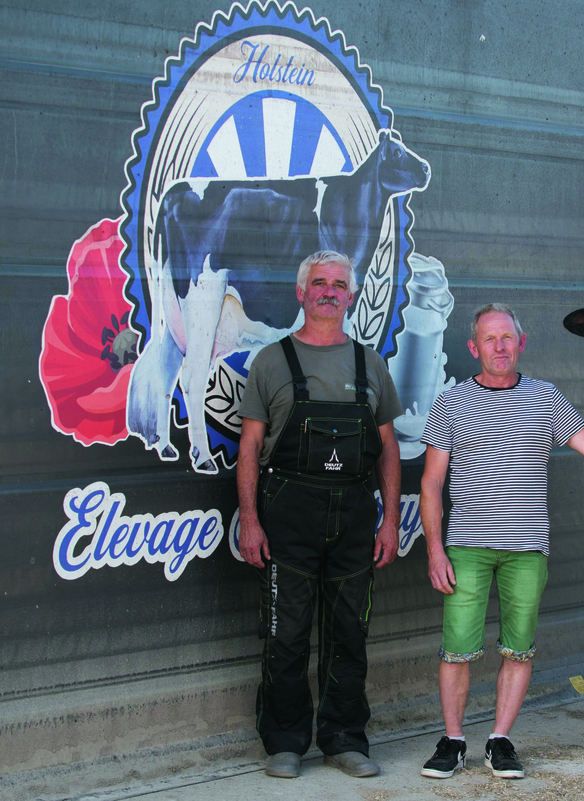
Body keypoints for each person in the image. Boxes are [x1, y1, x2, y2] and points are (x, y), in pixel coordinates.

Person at [417, 303, 584, 780]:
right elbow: (431, 483)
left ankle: (500, 740)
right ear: (474, 348)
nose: (499, 347)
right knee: (456, 648)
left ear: (521, 343)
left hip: (526, 548)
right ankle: (453, 741)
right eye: (489, 340)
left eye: (507, 338)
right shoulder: (450, 403)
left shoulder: (546, 398)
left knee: (519, 648)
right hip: (467, 545)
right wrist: (435, 549)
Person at [236, 250, 404, 780]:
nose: (329, 291)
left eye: (339, 283)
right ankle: (285, 744)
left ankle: (344, 739)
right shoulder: (270, 361)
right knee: (286, 633)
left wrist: (392, 519)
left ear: (351, 296)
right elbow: (249, 448)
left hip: (354, 514)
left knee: (348, 633)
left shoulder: (369, 362)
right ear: (301, 293)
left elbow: (389, 449)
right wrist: (250, 519)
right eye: (319, 283)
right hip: (288, 514)